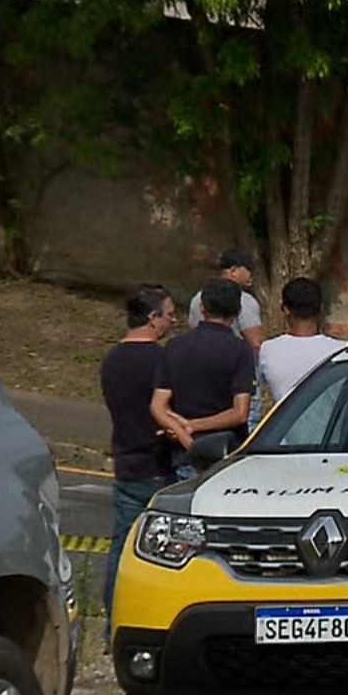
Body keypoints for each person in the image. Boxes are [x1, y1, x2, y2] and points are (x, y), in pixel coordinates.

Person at [99, 284, 175, 635]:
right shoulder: (160, 361)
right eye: (169, 315)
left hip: (126, 460)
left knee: (121, 544)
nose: (171, 322)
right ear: (152, 317)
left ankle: (113, 621)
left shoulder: (112, 360)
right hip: (157, 461)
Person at [155, 278, 255, 480]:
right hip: (225, 454)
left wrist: (185, 433)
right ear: (237, 312)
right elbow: (240, 413)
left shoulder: (175, 346)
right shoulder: (240, 350)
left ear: (202, 307)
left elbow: (158, 406)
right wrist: (194, 425)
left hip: (183, 455)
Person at [189, 249, 266, 426]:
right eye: (248, 270)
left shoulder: (197, 299)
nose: (251, 275)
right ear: (233, 270)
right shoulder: (244, 300)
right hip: (237, 374)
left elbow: (192, 333)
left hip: (203, 372)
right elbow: (254, 343)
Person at [258, 277, 348, 405]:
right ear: (321, 308)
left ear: (285, 310)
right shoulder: (342, 351)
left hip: (285, 424)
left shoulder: (268, 350)